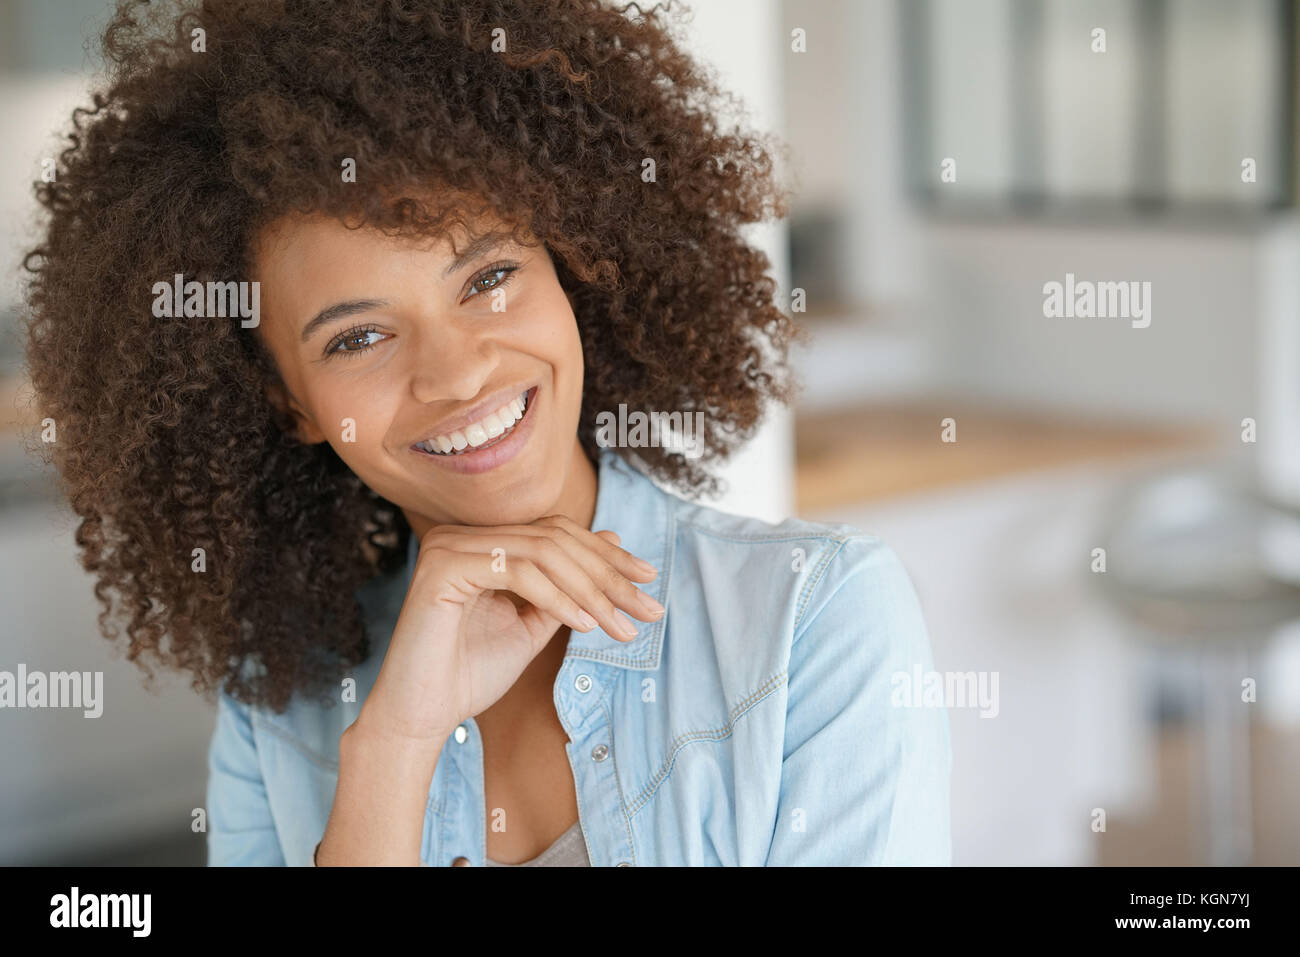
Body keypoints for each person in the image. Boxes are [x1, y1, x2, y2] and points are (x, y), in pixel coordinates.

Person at [22, 0, 950, 866]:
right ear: (288, 403)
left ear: (570, 266)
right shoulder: (283, 700)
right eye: (359, 337)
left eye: (486, 278)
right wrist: (392, 744)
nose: (457, 372)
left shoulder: (812, 623)